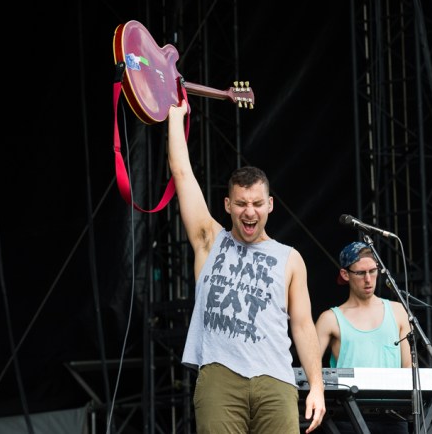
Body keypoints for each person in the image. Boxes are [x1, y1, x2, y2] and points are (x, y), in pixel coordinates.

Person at [167, 100, 325, 434]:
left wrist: (316, 386)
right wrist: (175, 116)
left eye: (256, 203)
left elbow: (302, 326)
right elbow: (182, 173)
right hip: (220, 375)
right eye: (241, 203)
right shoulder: (210, 240)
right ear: (228, 205)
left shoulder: (290, 258)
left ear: (270, 205)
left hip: (276, 379)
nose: (249, 211)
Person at [315, 241, 412, 434]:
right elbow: (311, 368)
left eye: (373, 271)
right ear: (345, 274)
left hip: (393, 415)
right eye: (360, 273)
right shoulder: (330, 318)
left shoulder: (398, 311)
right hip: (346, 416)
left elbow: (408, 368)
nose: (368, 279)